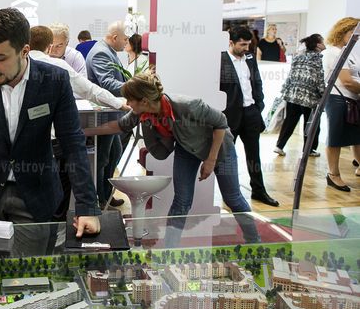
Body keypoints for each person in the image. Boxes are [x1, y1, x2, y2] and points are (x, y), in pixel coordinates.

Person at [0, 8, 101, 241]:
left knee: (32, 263)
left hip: (35, 196)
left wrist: (87, 206)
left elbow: (73, 143)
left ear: (24, 51)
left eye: (0, 58)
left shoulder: (54, 80)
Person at [85, 74, 260, 246]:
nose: (128, 104)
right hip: (187, 148)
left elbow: (221, 122)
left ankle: (254, 242)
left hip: (219, 148)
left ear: (144, 101)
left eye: (130, 100)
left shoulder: (187, 105)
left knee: (232, 198)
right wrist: (84, 132)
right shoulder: (141, 111)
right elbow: (119, 125)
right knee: (181, 201)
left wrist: (210, 160)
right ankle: (170, 248)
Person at [29, 26, 127, 219]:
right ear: (48, 46)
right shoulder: (58, 66)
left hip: (25, 146)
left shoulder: (16, 67)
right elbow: (90, 90)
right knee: (59, 198)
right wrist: (119, 103)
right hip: (54, 143)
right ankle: (58, 229)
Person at [220, 26, 279, 207]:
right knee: (227, 157)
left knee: (254, 155)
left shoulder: (251, 59)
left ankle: (258, 191)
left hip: (251, 113)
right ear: (231, 43)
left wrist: (258, 105)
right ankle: (230, 194)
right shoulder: (220, 60)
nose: (246, 48)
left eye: (248, 44)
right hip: (230, 115)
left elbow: (257, 82)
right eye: (242, 45)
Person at [86, 21, 130, 208]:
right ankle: (99, 199)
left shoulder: (107, 50)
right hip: (104, 115)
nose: (126, 43)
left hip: (110, 113)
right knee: (103, 158)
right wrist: (134, 87)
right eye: (125, 39)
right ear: (115, 37)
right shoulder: (101, 53)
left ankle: (106, 194)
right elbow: (108, 83)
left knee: (113, 154)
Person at [322, 17, 360, 191]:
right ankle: (333, 174)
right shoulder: (333, 52)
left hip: (350, 99)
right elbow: (347, 81)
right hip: (338, 99)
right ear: (342, 31)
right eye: (353, 33)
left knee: (356, 137)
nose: (356, 37)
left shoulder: (347, 52)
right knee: (335, 137)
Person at [273, 34, 326, 158]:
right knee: (311, 124)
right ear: (318, 45)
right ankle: (309, 149)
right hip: (309, 97)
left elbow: (291, 75)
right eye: (323, 42)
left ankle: (279, 146)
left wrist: (286, 91)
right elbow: (319, 79)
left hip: (293, 94)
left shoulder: (298, 57)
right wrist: (323, 94)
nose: (325, 45)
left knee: (289, 121)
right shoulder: (317, 58)